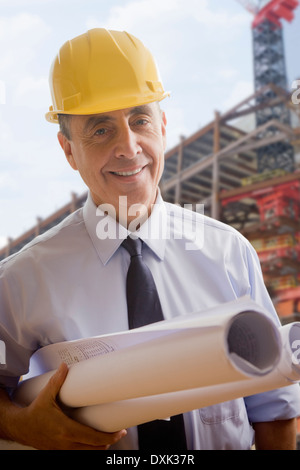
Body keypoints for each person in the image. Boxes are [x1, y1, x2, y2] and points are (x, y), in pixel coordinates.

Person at [0, 28, 299, 451]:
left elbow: (274, 406)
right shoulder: (22, 280)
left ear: (162, 125)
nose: (129, 146)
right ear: (68, 150)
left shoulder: (229, 253)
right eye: (100, 130)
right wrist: (21, 425)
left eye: (140, 119)